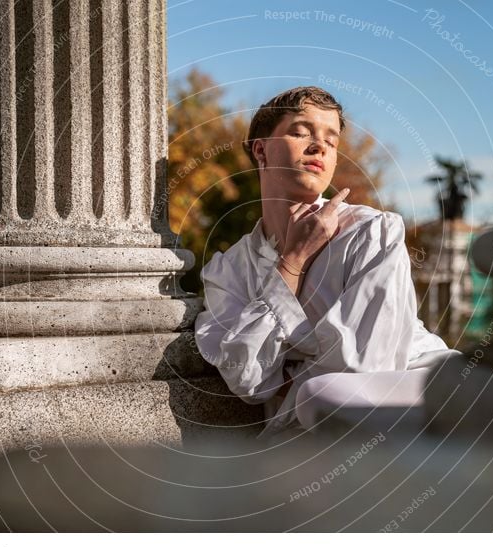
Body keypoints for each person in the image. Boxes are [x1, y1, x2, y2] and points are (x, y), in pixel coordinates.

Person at [194, 86, 458, 442]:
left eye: (331, 142)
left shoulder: (371, 232)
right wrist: (293, 261)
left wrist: (287, 367)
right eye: (301, 133)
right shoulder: (228, 269)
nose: (319, 146)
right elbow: (248, 379)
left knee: (321, 395)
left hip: (426, 390)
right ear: (261, 149)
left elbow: (362, 369)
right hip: (329, 428)